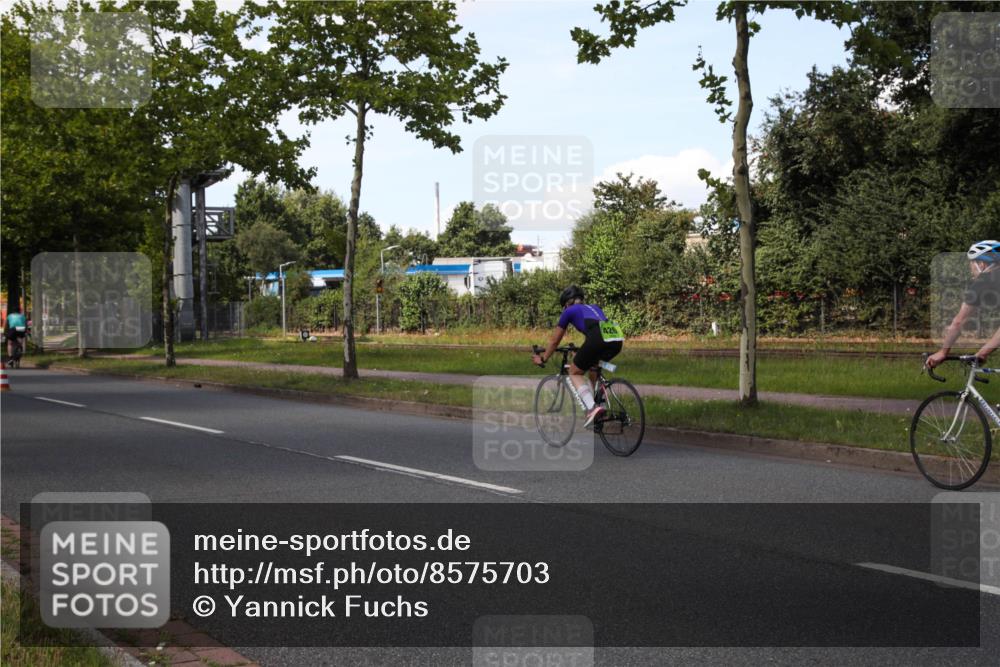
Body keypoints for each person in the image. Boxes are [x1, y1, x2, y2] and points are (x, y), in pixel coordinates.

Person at [532, 285, 624, 428]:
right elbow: (597, 331)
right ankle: (601, 407)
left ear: (567, 303)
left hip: (598, 339)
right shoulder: (594, 307)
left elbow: (555, 341)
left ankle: (592, 408)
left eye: (564, 306)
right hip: (616, 339)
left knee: (573, 372)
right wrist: (581, 352)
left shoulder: (569, 311)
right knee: (593, 367)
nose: (564, 309)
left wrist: (543, 358)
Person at [927, 240, 1000, 369]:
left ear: (981, 264)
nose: (970, 269)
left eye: (971, 264)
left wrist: (943, 352)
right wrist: (983, 353)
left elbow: (959, 322)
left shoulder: (983, 282)